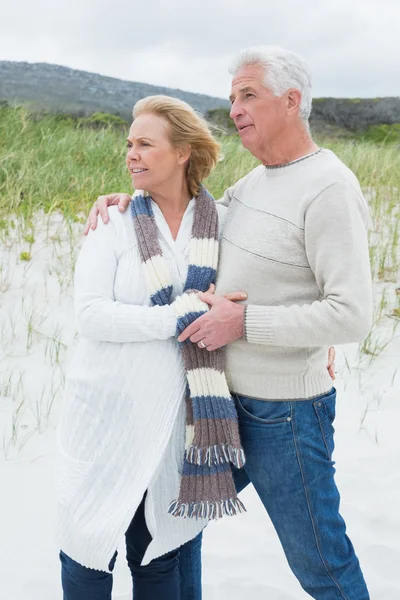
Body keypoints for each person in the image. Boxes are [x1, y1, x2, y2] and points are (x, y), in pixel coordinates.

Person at [87, 46, 371, 599]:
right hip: (216, 399)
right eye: (232, 98)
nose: (235, 109)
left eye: (248, 96)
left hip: (283, 414)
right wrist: (131, 197)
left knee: (320, 561)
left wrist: (244, 323)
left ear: (291, 102)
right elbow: (193, 210)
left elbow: (352, 313)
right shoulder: (257, 181)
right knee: (172, 529)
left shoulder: (329, 188)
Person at [57, 94, 252, 600]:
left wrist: (321, 344)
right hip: (106, 413)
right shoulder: (114, 223)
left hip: (175, 425)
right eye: (129, 144)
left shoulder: (223, 224)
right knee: (87, 551)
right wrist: (180, 315)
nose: (131, 155)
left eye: (145, 144)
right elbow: (91, 314)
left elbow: (250, 298)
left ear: (184, 151)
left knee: (158, 556)